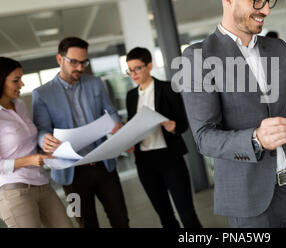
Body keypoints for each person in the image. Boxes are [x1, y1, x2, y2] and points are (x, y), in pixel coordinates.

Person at [179, 0, 286, 228]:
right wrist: (255, 139)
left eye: (268, 0)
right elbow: (204, 138)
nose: (265, 9)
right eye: (256, 0)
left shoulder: (278, 48)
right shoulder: (198, 57)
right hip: (249, 201)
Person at [32, 37, 129, 228]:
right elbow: (41, 129)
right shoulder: (42, 93)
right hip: (72, 174)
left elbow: (110, 111)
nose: (80, 67)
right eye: (74, 62)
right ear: (60, 59)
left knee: (121, 220)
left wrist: (116, 124)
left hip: (104, 166)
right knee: (86, 224)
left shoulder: (95, 83)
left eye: (83, 62)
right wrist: (45, 139)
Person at [125, 47, 202, 228]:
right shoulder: (130, 96)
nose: (133, 74)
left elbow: (183, 122)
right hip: (145, 162)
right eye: (129, 70)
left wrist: (172, 125)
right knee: (165, 215)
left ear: (149, 66)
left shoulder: (168, 88)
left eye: (137, 68)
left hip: (170, 158)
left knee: (186, 212)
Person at [0, 57, 73, 228]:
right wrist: (30, 160)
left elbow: (29, 141)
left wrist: (46, 144)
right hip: (14, 191)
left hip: (42, 183)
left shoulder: (20, 105)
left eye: (21, 78)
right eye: (16, 80)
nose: (22, 84)